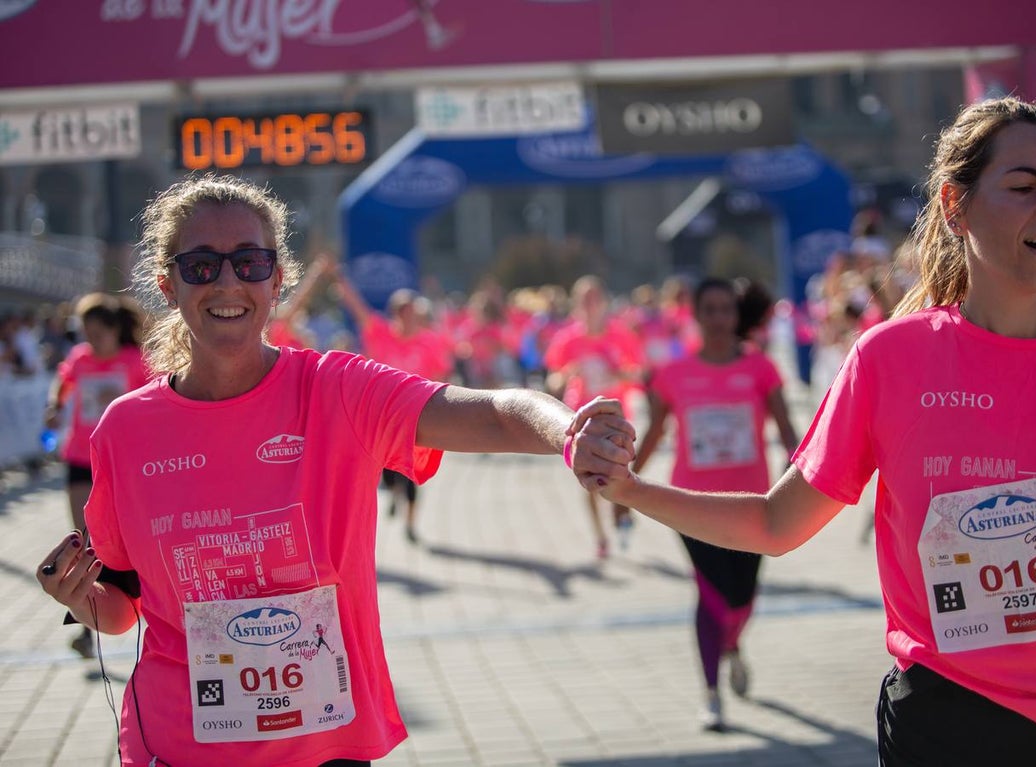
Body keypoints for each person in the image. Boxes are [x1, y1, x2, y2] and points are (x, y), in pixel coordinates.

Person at [572, 97, 1036, 765]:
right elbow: (774, 523)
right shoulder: (889, 359)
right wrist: (630, 489)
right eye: (1024, 186)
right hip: (946, 720)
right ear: (955, 206)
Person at [35, 174, 632, 767]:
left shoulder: (338, 389)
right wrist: (79, 597)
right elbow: (120, 607)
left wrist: (568, 429)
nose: (226, 281)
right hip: (179, 746)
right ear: (167, 284)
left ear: (278, 279)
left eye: (249, 261)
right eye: (200, 266)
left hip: (324, 747)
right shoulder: (125, 429)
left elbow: (498, 414)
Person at [624, 276, 799, 730]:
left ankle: (733, 644)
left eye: (727, 309)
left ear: (736, 315)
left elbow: (788, 432)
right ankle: (710, 692)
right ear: (696, 316)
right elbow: (656, 433)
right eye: (711, 310)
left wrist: (802, 486)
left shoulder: (761, 369)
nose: (720, 318)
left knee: (742, 597)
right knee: (710, 594)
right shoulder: (674, 375)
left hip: (752, 503)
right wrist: (624, 487)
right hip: (691, 503)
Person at [45, 292, 150, 658]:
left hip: (122, 464)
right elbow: (64, 382)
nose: (91, 340)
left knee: (115, 544)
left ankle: (138, 603)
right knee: (83, 539)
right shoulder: (80, 358)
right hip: (79, 455)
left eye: (96, 332)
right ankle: (87, 625)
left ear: (113, 328)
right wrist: (55, 406)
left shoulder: (134, 361)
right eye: (85, 333)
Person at [331, 265, 454, 544]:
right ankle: (394, 494)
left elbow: (442, 375)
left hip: (416, 418)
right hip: (383, 419)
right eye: (405, 313)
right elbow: (357, 308)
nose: (410, 318)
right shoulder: (381, 334)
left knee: (411, 475)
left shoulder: (428, 343)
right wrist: (339, 277)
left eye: (414, 313)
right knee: (387, 475)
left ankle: (410, 524)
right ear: (396, 314)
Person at [545, 275, 643, 559]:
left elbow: (638, 371)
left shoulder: (620, 334)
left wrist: (621, 373)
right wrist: (566, 374)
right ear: (576, 305)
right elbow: (552, 380)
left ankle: (621, 514)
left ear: (603, 302)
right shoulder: (568, 339)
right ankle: (600, 536)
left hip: (617, 416)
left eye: (594, 299)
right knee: (588, 476)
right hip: (582, 417)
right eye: (583, 300)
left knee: (619, 476)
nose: (590, 305)